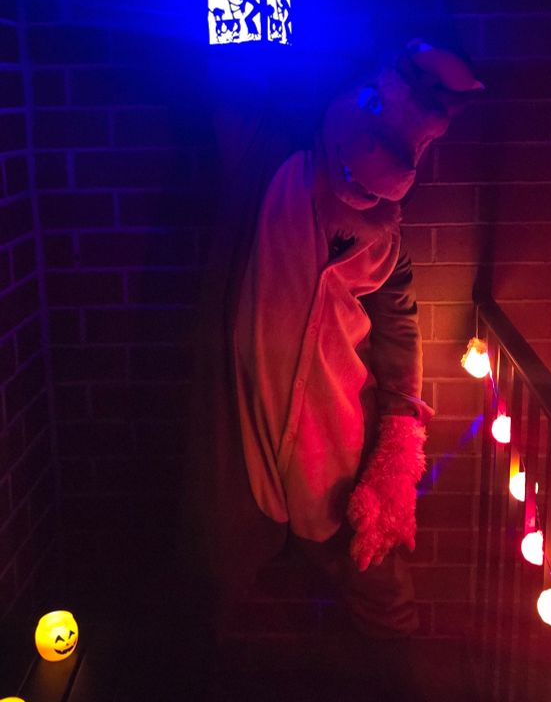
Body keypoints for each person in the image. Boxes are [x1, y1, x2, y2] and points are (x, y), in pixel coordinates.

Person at [176, 38, 483, 697]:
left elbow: (398, 335)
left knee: (382, 594)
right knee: (210, 579)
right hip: (244, 434)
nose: (358, 200)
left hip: (336, 444)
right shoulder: (265, 170)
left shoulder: (385, 248)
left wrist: (398, 435)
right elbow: (229, 83)